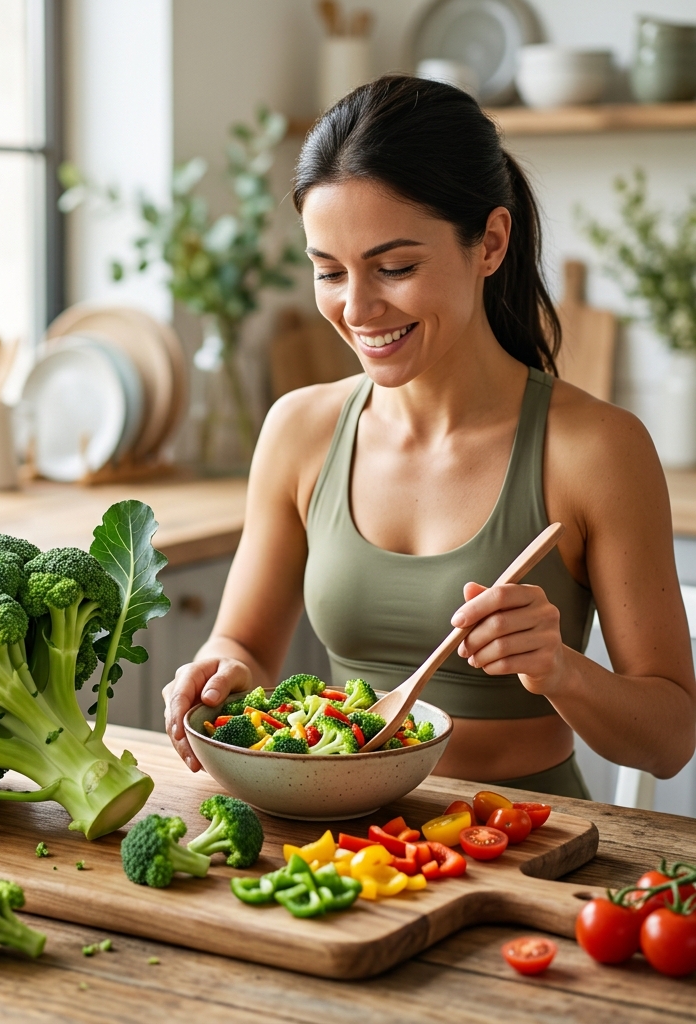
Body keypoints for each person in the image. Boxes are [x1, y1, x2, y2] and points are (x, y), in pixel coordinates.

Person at [162, 76, 696, 797]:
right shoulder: (299, 431)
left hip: (523, 839)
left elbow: (670, 740)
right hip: (343, 841)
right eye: (329, 272)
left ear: (491, 243)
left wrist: (561, 670)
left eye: (395, 268)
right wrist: (221, 669)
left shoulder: (597, 450)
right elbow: (246, 646)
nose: (357, 309)